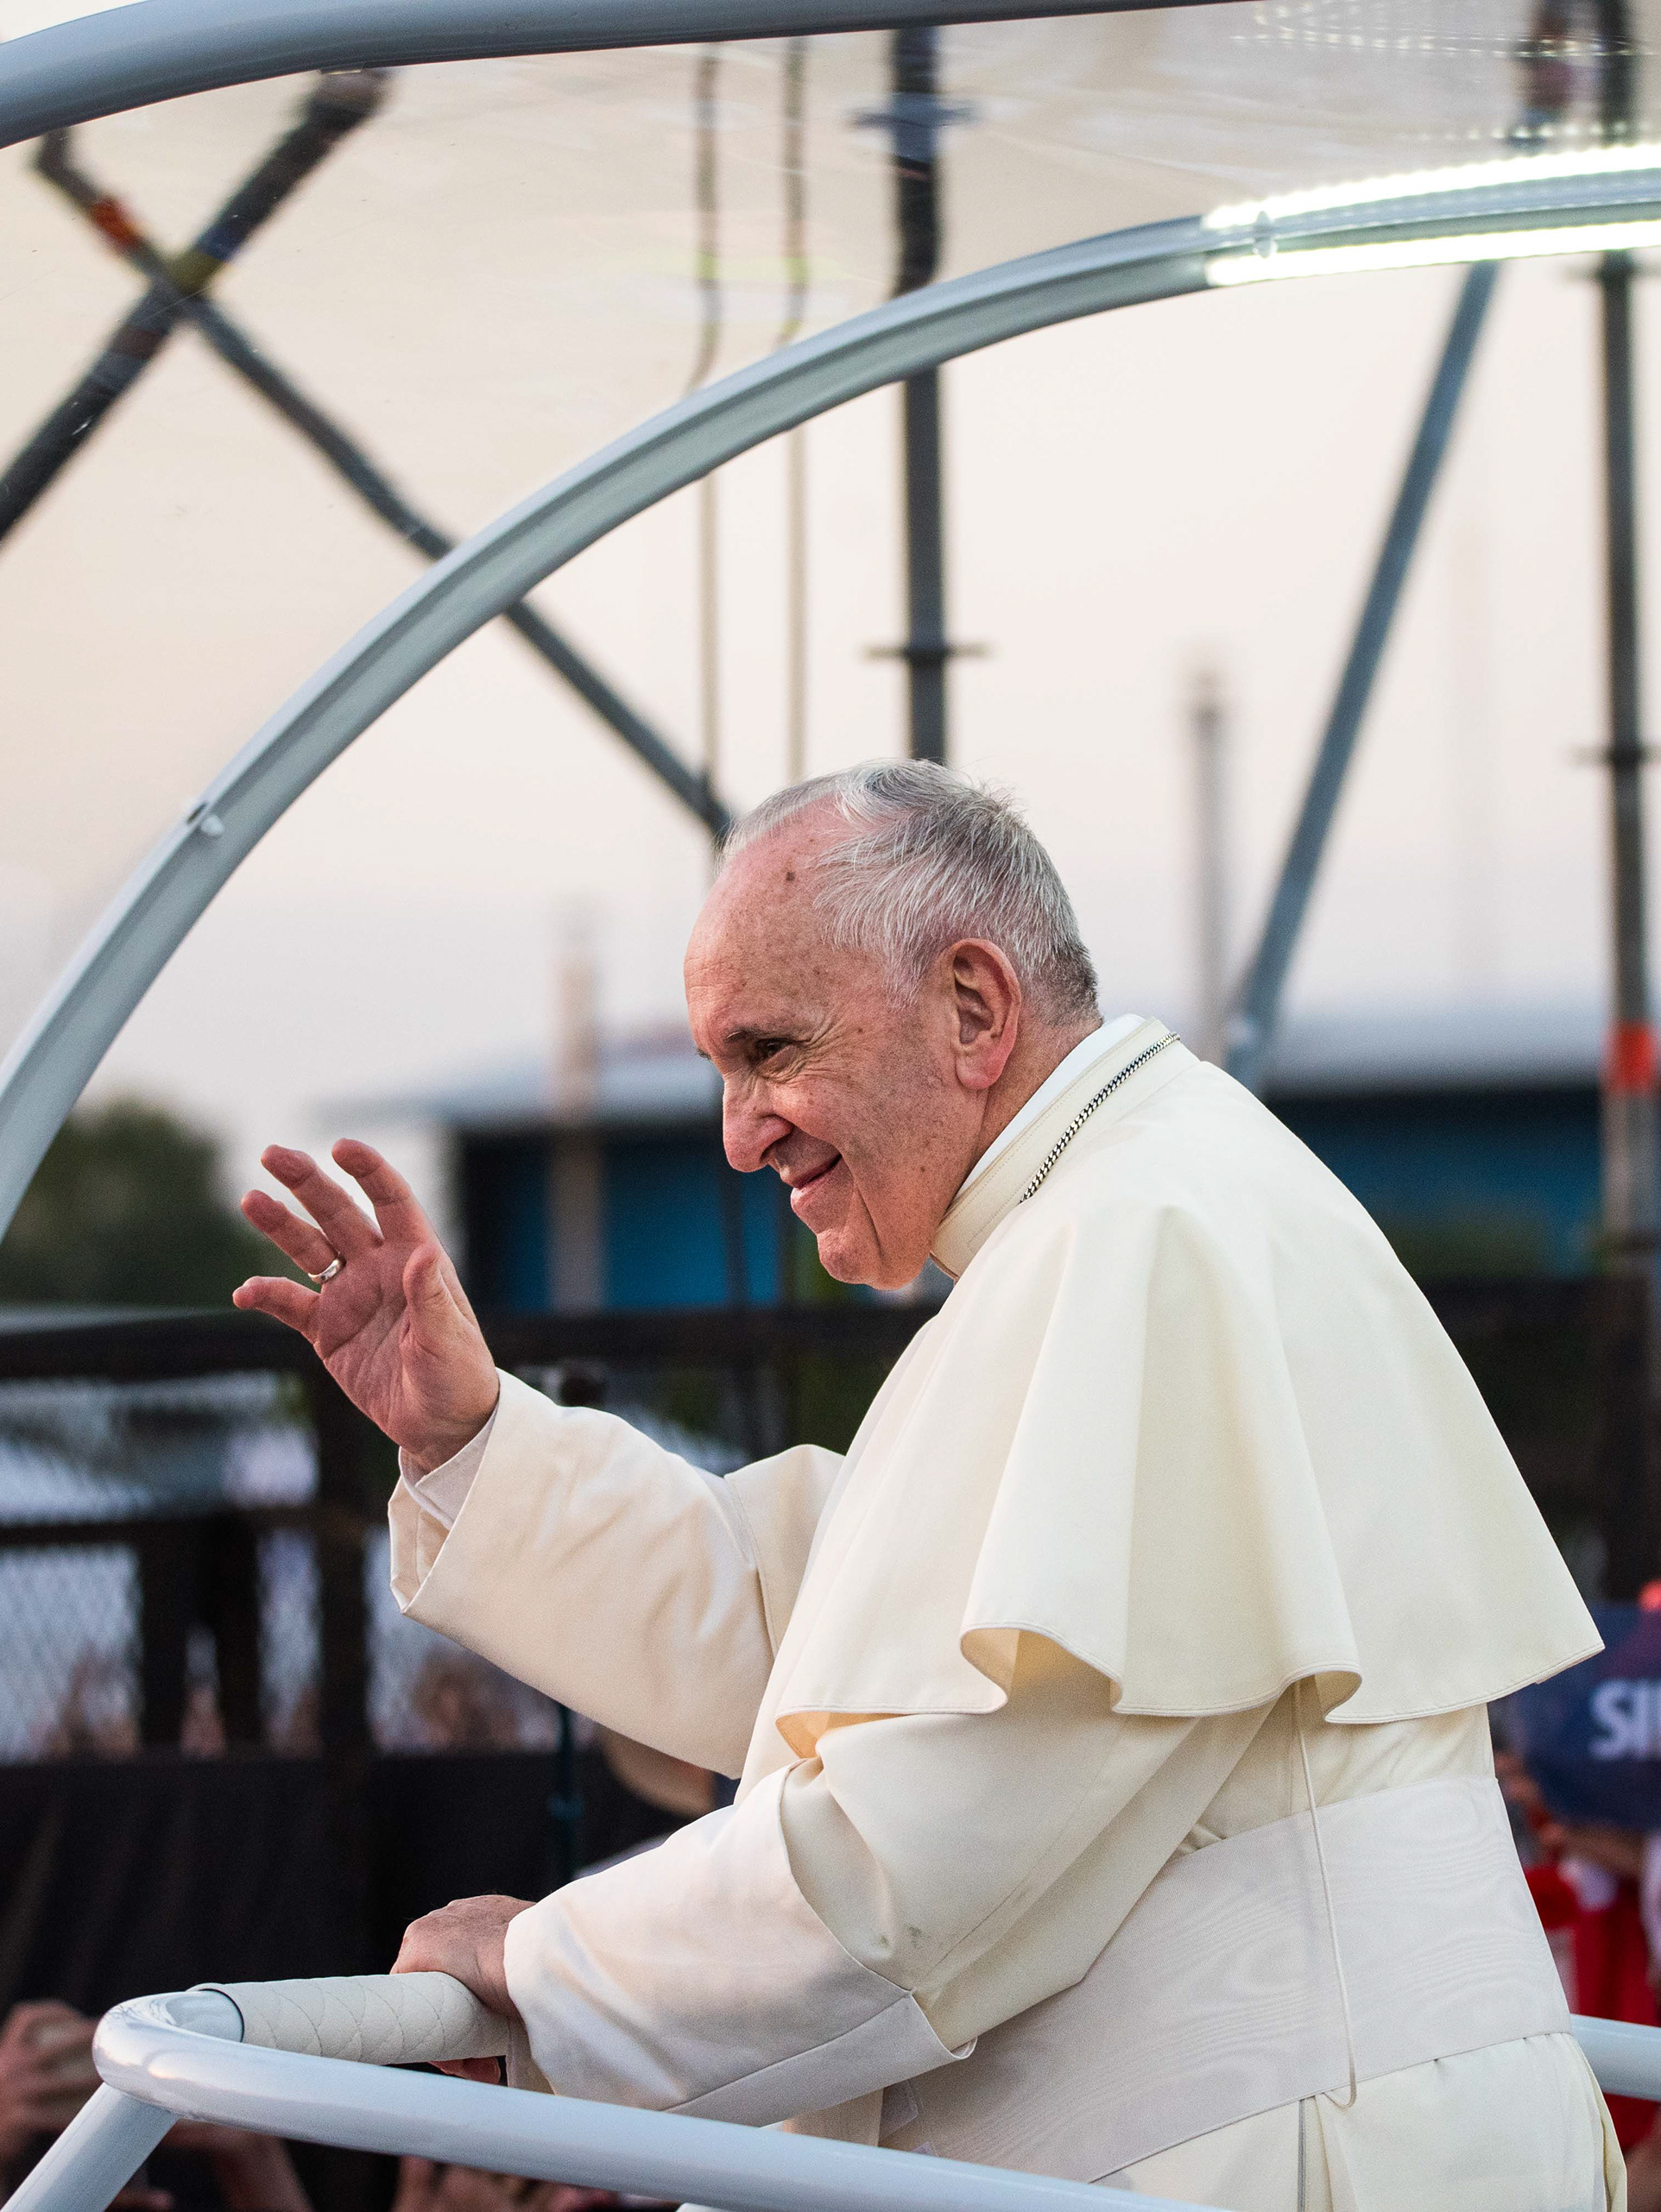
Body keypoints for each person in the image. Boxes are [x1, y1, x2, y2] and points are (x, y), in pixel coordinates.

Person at [236, 762, 1618, 2212]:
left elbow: (935, 1849)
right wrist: (470, 1438)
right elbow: (831, 1636)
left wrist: (548, 1969)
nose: (737, 1133)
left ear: (972, 1007)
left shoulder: (1132, 1234)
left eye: (770, 1050)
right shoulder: (1123, 1211)